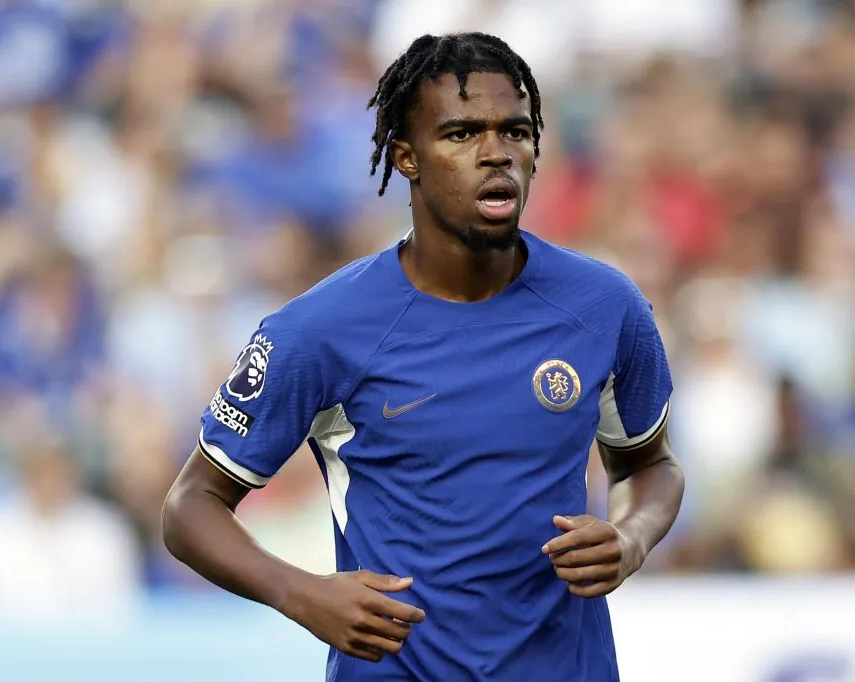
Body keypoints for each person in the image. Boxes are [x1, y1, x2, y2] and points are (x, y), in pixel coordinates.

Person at [162, 32, 685, 682]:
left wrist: (629, 540)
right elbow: (190, 506)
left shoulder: (604, 305)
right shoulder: (320, 328)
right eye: (462, 134)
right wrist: (302, 593)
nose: (495, 153)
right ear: (406, 157)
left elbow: (650, 464)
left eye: (515, 132)